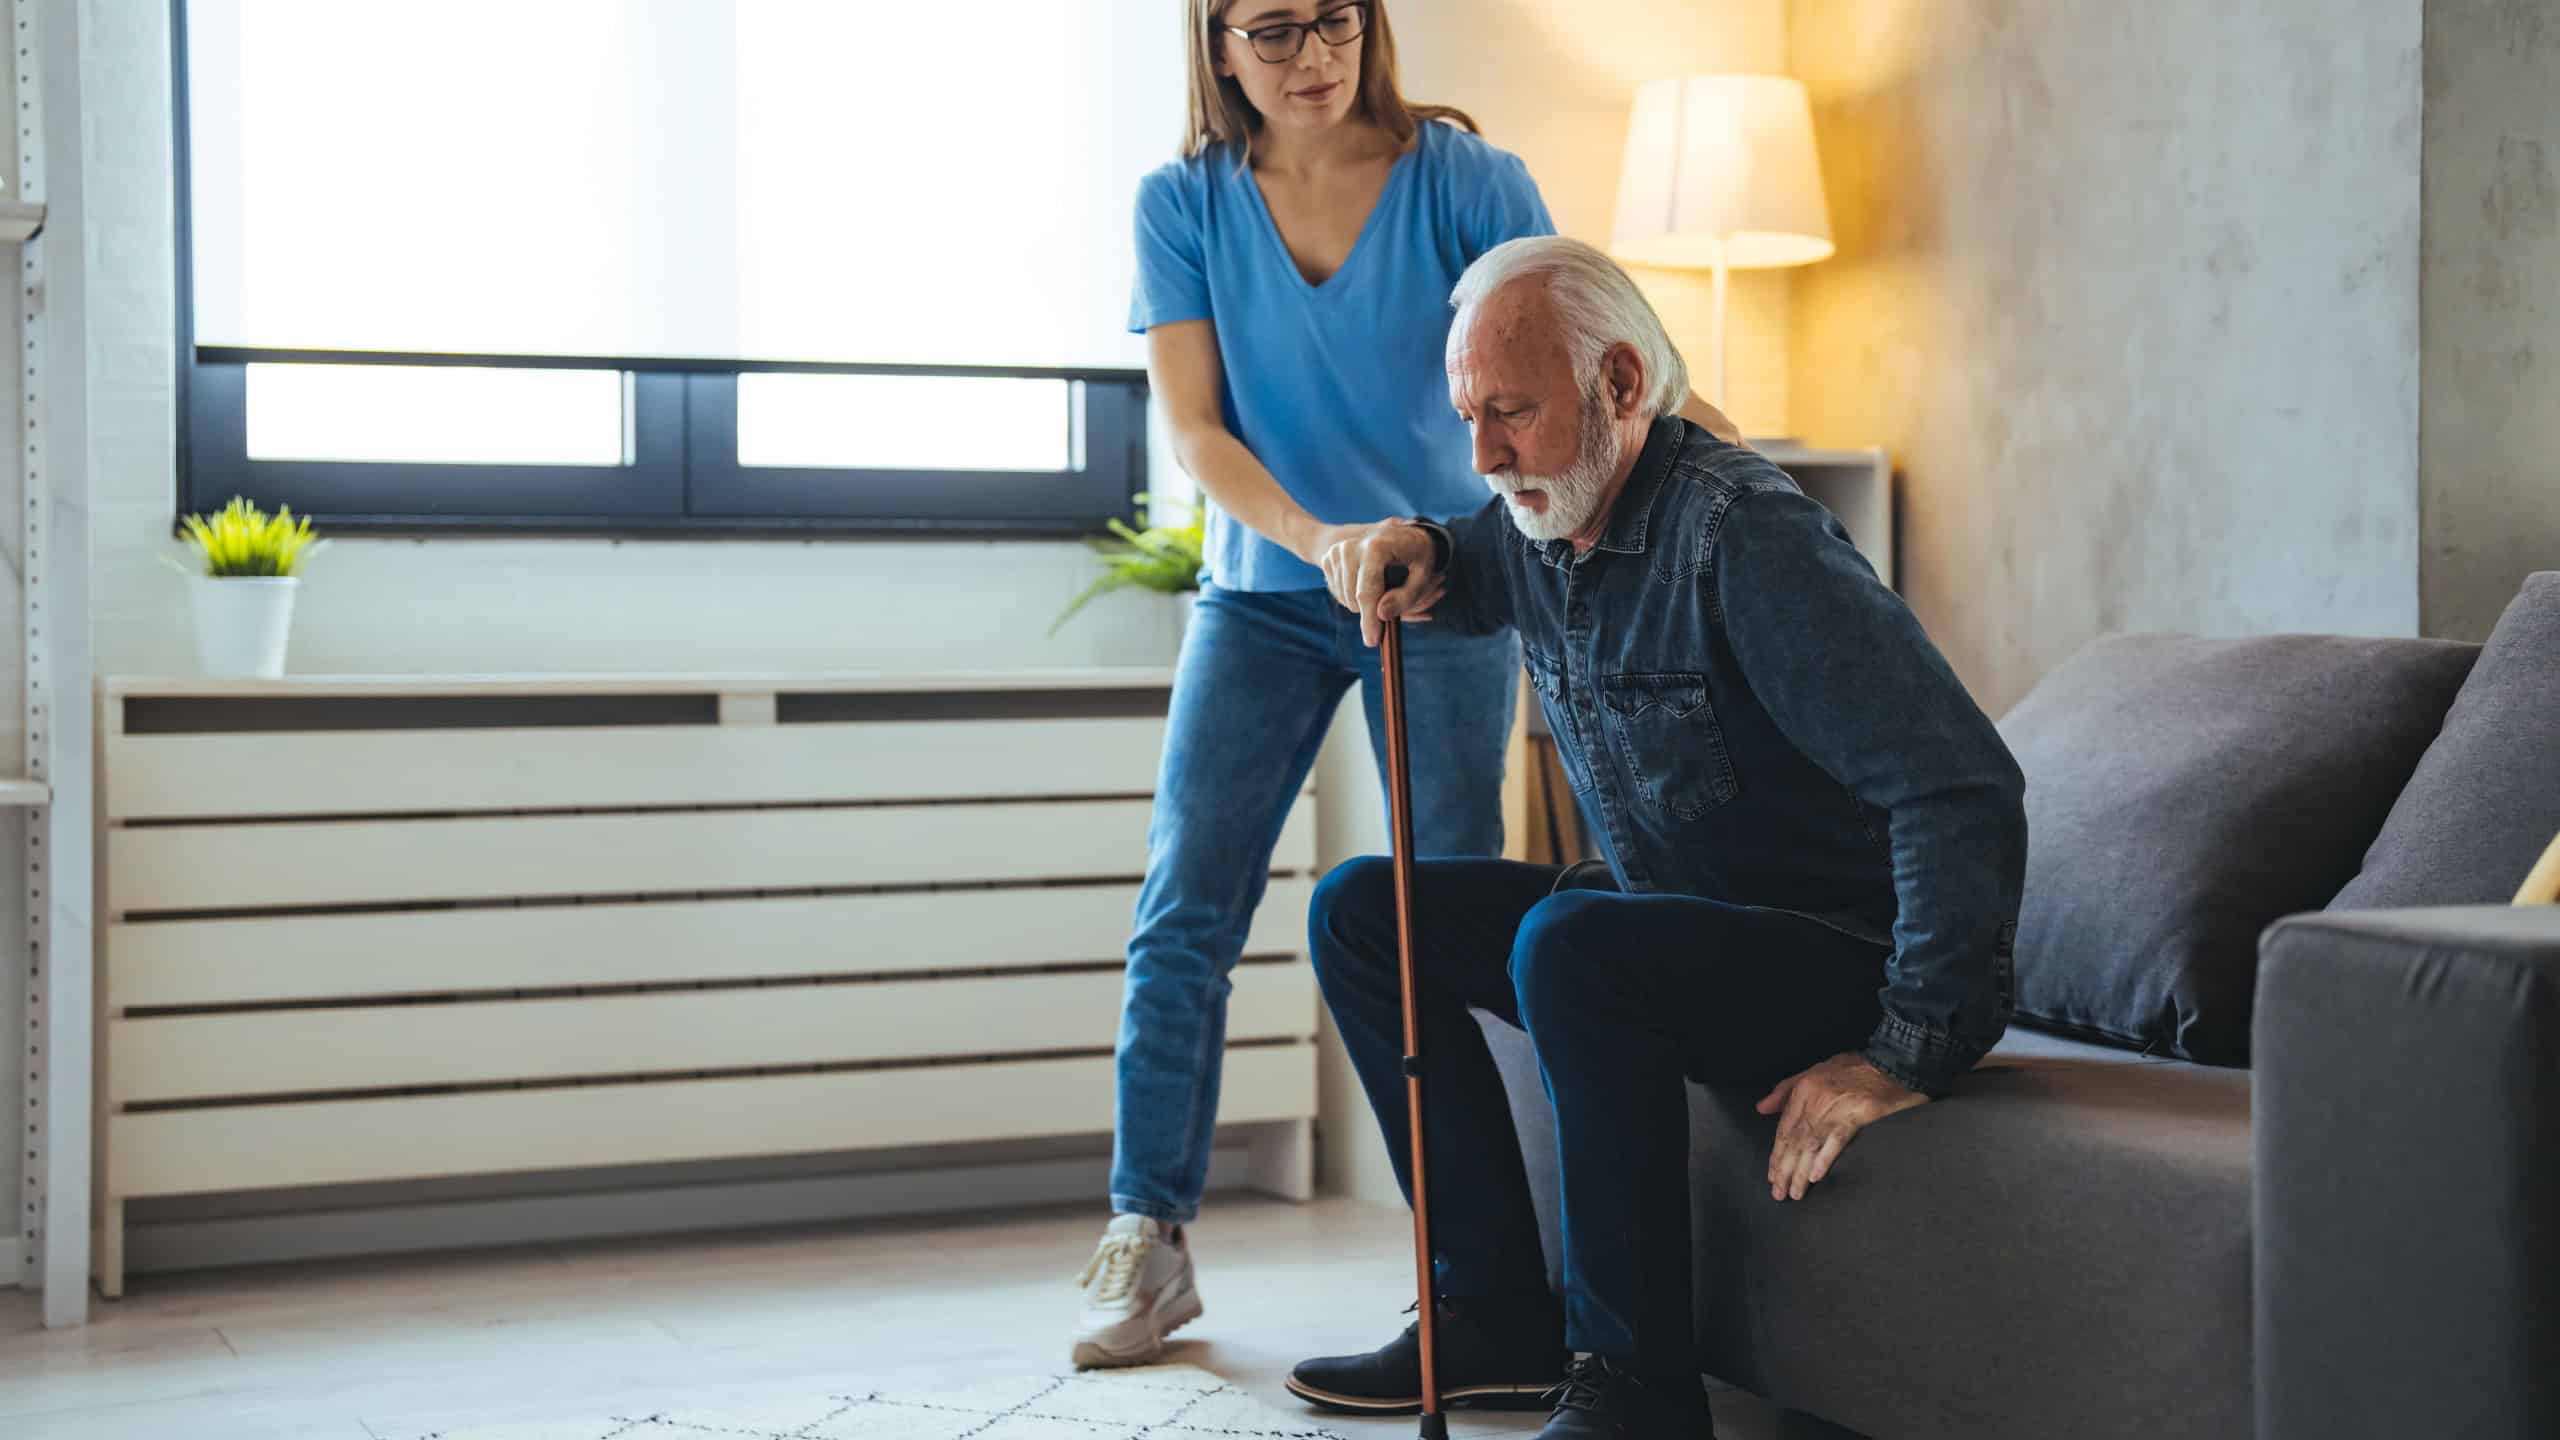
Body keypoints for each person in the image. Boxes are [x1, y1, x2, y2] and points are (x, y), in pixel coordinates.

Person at [1074, 0, 1746, 1371]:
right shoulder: (1184, 201)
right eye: (1272, 31)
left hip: (1447, 586)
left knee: (1440, 917)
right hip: (1269, 594)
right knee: (1184, 907)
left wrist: (1723, 467)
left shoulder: (1465, 180)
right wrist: (1316, 538)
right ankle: (1149, 1234)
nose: (1309, 56)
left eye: (1334, 21)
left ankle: (1483, 1268)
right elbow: (1197, 427)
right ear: (1216, 44)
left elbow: (1578, 344)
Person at [1293, 236, 2028, 1439]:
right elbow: (1470, 557)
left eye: (1513, 415)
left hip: (1831, 955)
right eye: (1468, 416)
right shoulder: (1549, 513)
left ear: (1622, 384)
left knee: (1577, 944)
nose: (1486, 456)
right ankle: (1490, 1314)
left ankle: (1635, 1390)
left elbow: (1961, 787)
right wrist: (1414, 547)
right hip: (1670, 933)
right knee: (1364, 909)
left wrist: (1907, 1048)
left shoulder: (1746, 537)